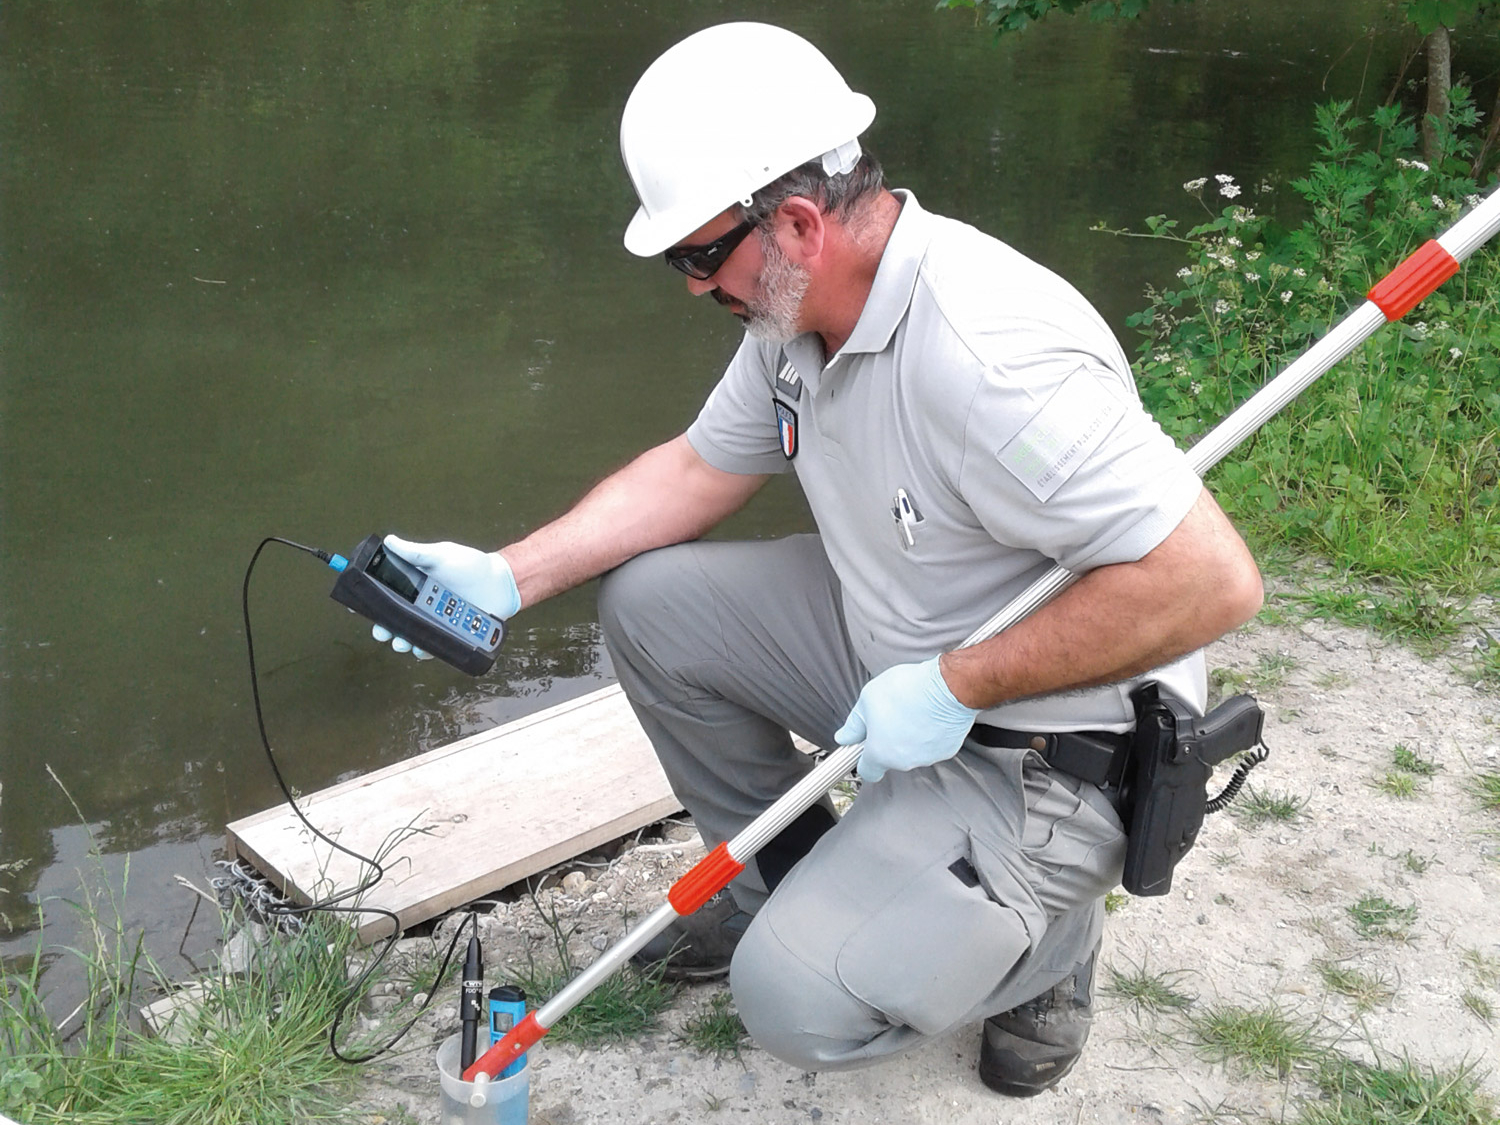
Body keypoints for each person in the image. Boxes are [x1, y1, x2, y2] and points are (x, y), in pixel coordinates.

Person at [375, 21, 1263, 1096]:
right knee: (654, 606)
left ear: (795, 224)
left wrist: (954, 684)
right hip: (905, 650)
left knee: (793, 1000)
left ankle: (1051, 948)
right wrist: (508, 577)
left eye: (700, 258)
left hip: (1052, 740)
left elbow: (1211, 580)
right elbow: (698, 471)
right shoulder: (795, 323)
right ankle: (778, 892)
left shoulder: (995, 357)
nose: (695, 288)